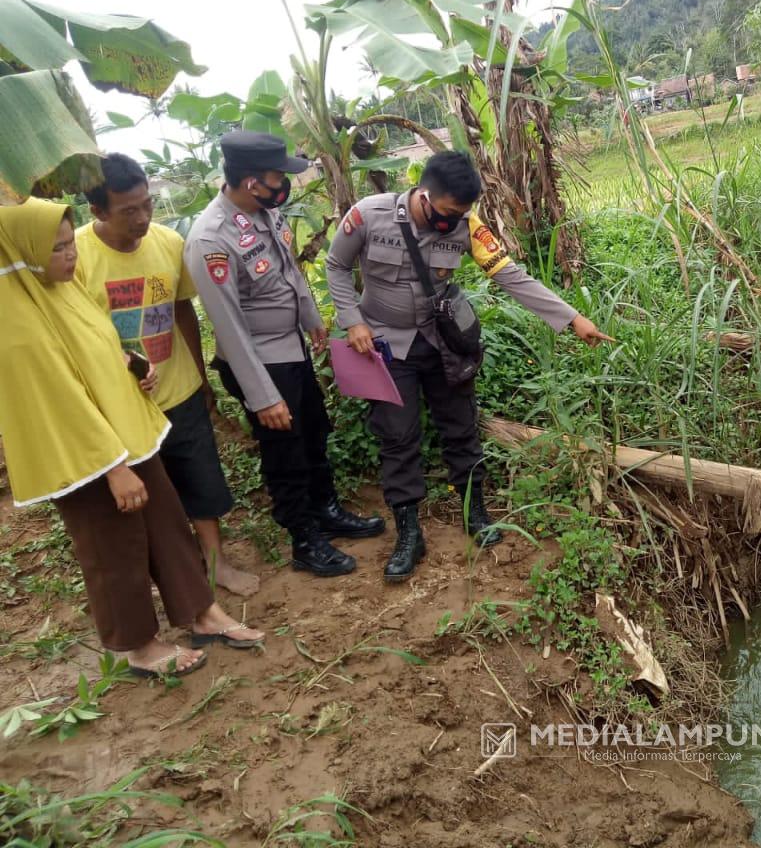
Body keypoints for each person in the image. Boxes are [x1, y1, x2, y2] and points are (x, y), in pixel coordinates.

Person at [0, 199, 263, 677]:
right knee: (112, 547)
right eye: (57, 247)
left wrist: (133, 367)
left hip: (126, 433)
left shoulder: (59, 292)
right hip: (87, 456)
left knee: (166, 525)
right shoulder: (17, 323)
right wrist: (113, 468)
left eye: (68, 243)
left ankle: (201, 612)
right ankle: (139, 645)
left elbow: (96, 349)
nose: (71, 254)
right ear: (24, 253)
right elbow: (57, 401)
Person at [326, 149, 612, 582]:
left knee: (460, 426)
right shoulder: (368, 215)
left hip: (440, 342)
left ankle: (474, 510)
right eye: (446, 212)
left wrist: (572, 318)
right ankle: (409, 534)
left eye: (461, 212)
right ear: (423, 193)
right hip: (384, 346)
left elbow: (510, 275)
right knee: (397, 437)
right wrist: (353, 322)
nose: (452, 221)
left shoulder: (467, 225)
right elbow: (335, 267)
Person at [184, 131, 384, 578]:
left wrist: (311, 317)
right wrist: (263, 396)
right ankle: (303, 537)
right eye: (279, 176)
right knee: (285, 453)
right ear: (253, 181)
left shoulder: (264, 212)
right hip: (260, 363)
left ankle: (326, 510)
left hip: (291, 351)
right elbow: (229, 326)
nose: (286, 183)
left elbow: (288, 271)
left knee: (313, 434)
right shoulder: (211, 239)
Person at [77, 153, 258, 597]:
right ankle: (170, 575)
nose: (142, 218)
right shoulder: (78, 257)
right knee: (149, 496)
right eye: (128, 211)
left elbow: (182, 310)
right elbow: (76, 333)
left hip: (180, 390)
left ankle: (216, 564)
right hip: (122, 404)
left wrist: (200, 376)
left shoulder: (167, 243)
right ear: (98, 211)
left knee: (202, 480)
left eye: (147, 205)